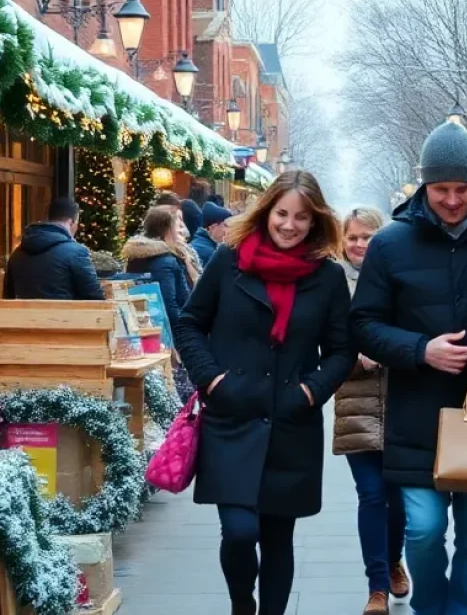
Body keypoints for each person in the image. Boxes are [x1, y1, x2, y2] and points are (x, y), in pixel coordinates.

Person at [177, 170, 352, 615]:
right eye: (282, 214)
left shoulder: (328, 278)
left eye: (302, 217)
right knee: (238, 531)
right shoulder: (227, 260)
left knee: (278, 537)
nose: (290, 225)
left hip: (291, 423)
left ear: (316, 222)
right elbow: (191, 323)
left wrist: (311, 392)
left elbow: (340, 350)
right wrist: (213, 380)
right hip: (231, 417)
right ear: (266, 211)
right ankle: (242, 605)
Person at [351, 121, 467, 615]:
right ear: (424, 185)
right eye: (441, 189)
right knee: (423, 529)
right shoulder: (391, 243)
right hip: (416, 414)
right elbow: (365, 324)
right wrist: (422, 349)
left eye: (463, 188)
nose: (454, 199)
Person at [333, 206, 409, 615]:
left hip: (403, 403)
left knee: (397, 500)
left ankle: (394, 558)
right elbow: (321, 345)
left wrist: (391, 350)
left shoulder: (399, 275)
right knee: (372, 494)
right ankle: (376, 585)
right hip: (356, 405)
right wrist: (353, 359)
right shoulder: (331, 282)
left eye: (368, 237)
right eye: (353, 237)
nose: (360, 244)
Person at [4, 197, 104, 301]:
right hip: (66, 316)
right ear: (72, 222)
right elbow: (95, 298)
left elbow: (7, 297)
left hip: (21, 316)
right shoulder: (76, 252)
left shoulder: (16, 253)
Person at [122, 205, 192, 344]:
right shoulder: (166, 260)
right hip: (166, 334)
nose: (181, 231)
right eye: (176, 226)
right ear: (167, 230)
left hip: (140, 328)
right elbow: (169, 302)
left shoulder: (135, 257)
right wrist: (187, 332)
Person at [192, 201, 232, 269]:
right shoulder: (207, 252)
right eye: (225, 225)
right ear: (213, 226)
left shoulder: (205, 244)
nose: (228, 230)